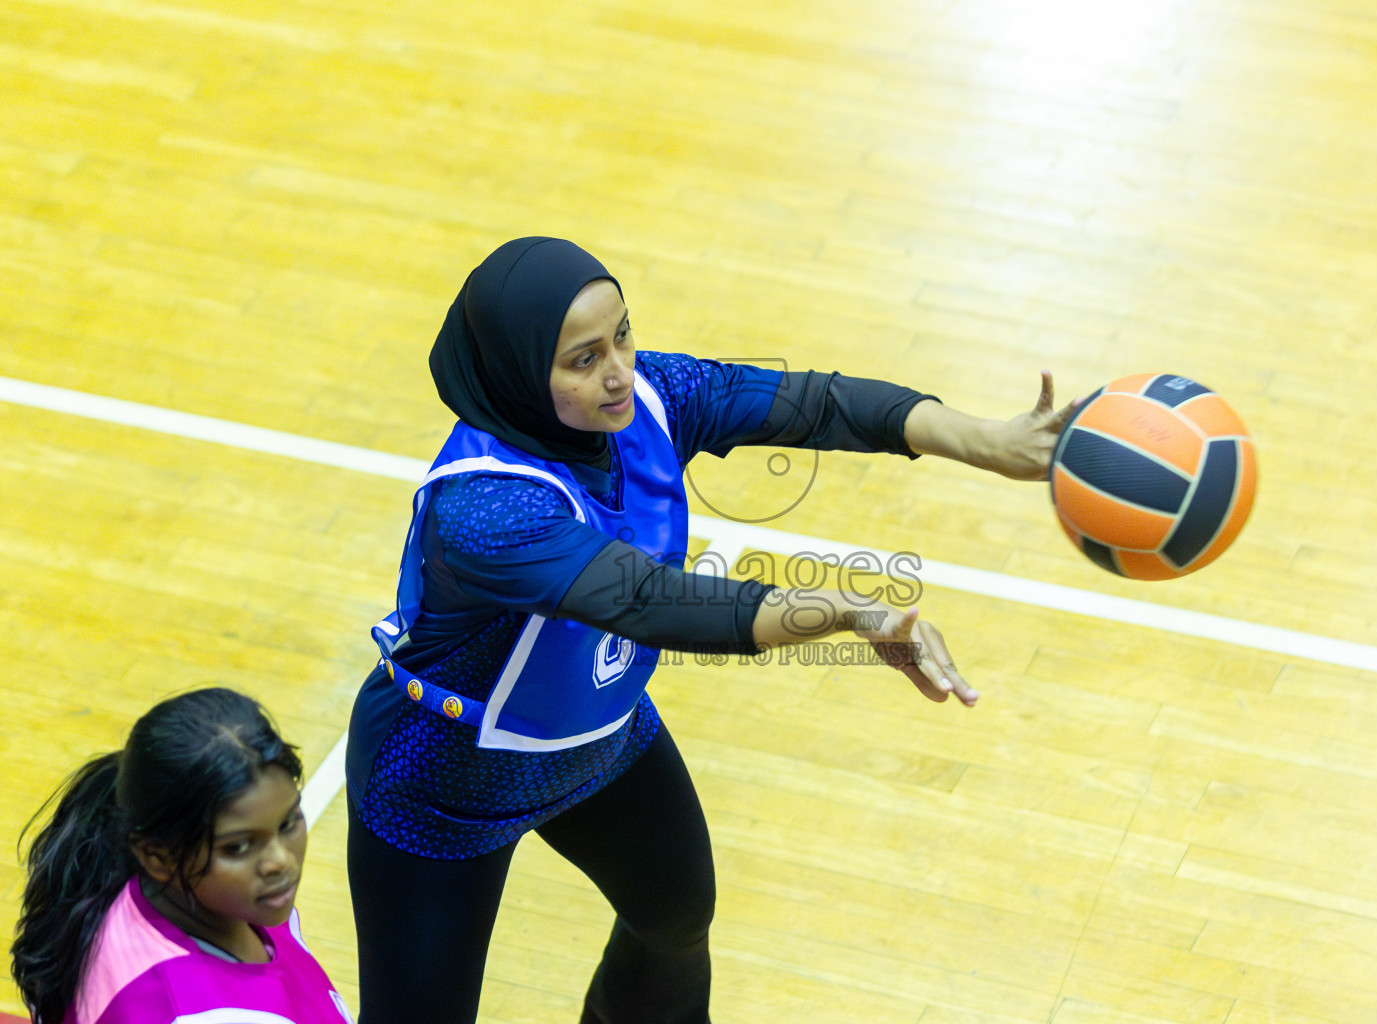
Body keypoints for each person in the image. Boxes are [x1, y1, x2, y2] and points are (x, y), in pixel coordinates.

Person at [345, 236, 1074, 1023]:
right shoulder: (485, 509)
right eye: (582, 360)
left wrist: (987, 442)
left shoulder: (651, 395)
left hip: (601, 744)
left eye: (621, 335)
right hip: (443, 782)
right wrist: (848, 610)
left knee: (675, 920)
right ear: (521, 370)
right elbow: (649, 600)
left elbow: (815, 402)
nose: (620, 369)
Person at [11, 687, 352, 1024]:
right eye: (238, 847)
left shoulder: (136, 885)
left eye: (288, 822)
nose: (281, 861)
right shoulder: (196, 1012)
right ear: (157, 857)